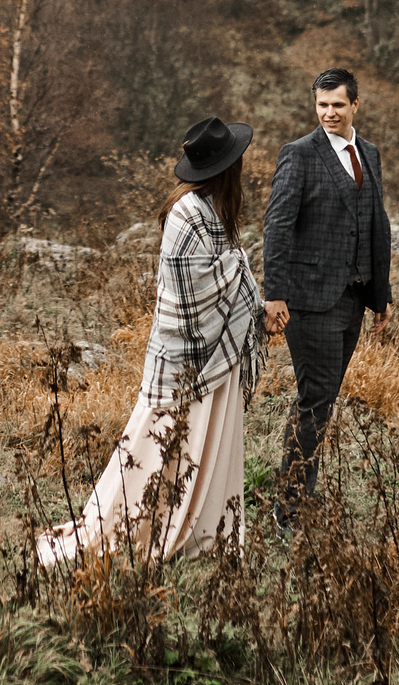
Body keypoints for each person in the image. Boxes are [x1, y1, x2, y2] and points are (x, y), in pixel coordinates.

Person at [38, 115, 278, 566]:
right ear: (227, 169)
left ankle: (206, 526)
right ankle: (149, 526)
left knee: (202, 446)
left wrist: (242, 282)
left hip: (214, 353)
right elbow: (194, 291)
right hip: (187, 355)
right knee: (157, 446)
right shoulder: (189, 214)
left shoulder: (211, 209)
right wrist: (240, 269)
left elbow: (221, 276)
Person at [261, 66, 395, 523]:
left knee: (323, 400)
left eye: (338, 104)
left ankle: (295, 495)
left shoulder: (370, 154)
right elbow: (277, 226)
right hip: (309, 298)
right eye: (322, 105)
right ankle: (291, 509)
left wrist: (381, 294)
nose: (329, 113)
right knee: (316, 401)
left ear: (355, 105)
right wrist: (273, 294)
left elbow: (377, 222)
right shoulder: (298, 155)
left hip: (353, 299)